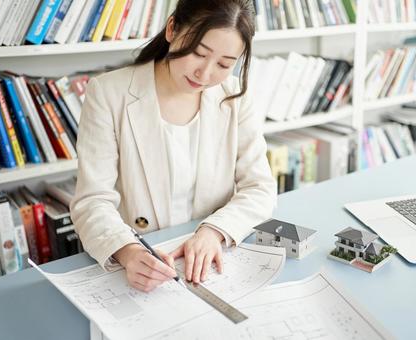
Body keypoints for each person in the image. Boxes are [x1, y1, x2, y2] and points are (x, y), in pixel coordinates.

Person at [70, 0, 277, 293]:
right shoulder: (108, 93)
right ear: (172, 29)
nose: (204, 74)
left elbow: (260, 188)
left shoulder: (235, 97)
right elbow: (91, 201)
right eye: (197, 53)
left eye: (224, 64)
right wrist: (129, 252)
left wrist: (214, 232)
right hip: (143, 263)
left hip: (211, 265)